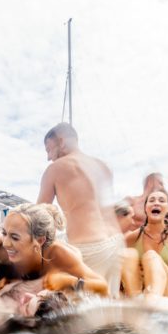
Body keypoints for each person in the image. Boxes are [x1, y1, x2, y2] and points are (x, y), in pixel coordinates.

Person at [37, 122, 124, 296]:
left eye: (48, 149)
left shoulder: (55, 169)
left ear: (61, 141)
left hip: (88, 248)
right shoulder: (104, 166)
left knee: (73, 311)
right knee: (106, 308)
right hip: (116, 244)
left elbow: (37, 216)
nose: (48, 157)